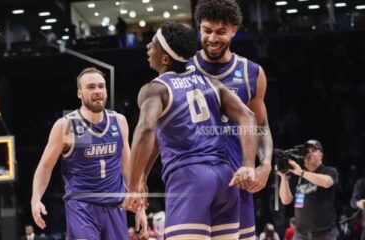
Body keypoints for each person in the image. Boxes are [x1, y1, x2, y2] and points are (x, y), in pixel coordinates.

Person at [124, 22, 258, 239]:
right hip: (225, 178)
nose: (148, 46)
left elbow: (147, 129)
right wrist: (248, 165)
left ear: (165, 59)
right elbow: (248, 116)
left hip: (189, 179)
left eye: (154, 43)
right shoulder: (212, 83)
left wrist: (131, 186)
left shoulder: (155, 89)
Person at [30, 67, 147, 240]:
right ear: (79, 93)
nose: (98, 91)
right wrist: (35, 198)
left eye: (101, 86)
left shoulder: (119, 121)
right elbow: (45, 167)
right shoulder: (68, 125)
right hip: (82, 207)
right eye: (91, 87)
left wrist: (141, 208)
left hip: (115, 207)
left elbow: (127, 168)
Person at [191, 1, 274, 239]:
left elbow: (261, 126)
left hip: (237, 179)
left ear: (234, 30)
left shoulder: (251, 73)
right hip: (195, 179)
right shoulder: (183, 68)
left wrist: (266, 165)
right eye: (206, 30)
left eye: (221, 31)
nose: (212, 38)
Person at [278, 140, 339, 240]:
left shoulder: (329, 171)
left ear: (321, 155)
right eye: (307, 151)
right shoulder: (297, 175)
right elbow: (286, 200)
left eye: (314, 150)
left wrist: (301, 172)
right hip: (300, 233)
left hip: (324, 233)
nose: (310, 153)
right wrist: (283, 177)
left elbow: (327, 182)